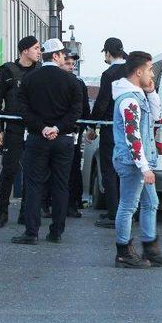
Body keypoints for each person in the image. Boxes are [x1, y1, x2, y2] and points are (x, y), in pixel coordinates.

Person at [12, 38, 83, 245]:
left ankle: (31, 232)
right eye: (63, 54)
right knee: (61, 185)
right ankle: (56, 232)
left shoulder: (30, 79)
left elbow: (23, 109)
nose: (65, 58)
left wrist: (42, 127)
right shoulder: (72, 81)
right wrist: (57, 128)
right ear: (55, 55)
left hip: (36, 138)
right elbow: (75, 112)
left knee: (34, 185)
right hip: (63, 140)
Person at [112, 51, 162, 268]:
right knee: (128, 206)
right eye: (149, 70)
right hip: (132, 162)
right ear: (139, 71)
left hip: (139, 162)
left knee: (151, 203)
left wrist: (152, 92)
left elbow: (155, 118)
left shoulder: (138, 96)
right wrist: (145, 167)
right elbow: (132, 136)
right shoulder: (129, 100)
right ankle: (123, 252)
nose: (152, 74)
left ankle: (150, 249)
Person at [0, 36, 40, 228]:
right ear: (24, 50)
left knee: (32, 172)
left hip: (34, 128)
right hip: (13, 128)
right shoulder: (7, 71)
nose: (38, 51)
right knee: (9, 170)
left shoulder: (40, 71)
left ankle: (25, 213)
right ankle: (1, 212)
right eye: (35, 48)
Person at [88, 37, 128, 228]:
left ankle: (114, 213)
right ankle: (127, 211)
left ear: (108, 53)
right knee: (127, 170)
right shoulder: (131, 70)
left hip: (111, 127)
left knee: (110, 170)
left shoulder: (109, 74)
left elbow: (102, 102)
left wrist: (91, 125)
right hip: (130, 127)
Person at [63, 53, 90, 218]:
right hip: (56, 131)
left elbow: (85, 109)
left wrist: (85, 127)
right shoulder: (52, 82)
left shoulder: (79, 84)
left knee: (73, 167)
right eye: (68, 63)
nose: (71, 67)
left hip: (74, 131)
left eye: (73, 64)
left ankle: (73, 203)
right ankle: (47, 203)